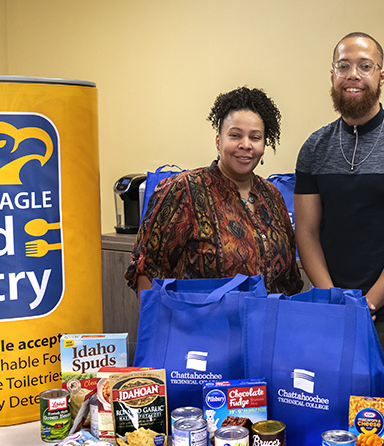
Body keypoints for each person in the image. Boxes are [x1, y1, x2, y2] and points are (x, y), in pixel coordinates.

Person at [294, 32, 384, 362]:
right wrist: (333, 300)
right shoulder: (314, 148)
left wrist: (366, 305)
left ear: (381, 76)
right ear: (332, 75)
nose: (353, 75)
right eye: (343, 66)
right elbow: (306, 232)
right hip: (328, 313)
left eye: (365, 66)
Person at [125, 87, 303, 296]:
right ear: (219, 141)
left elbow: (290, 280)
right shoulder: (183, 190)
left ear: (264, 145)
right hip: (200, 326)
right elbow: (146, 271)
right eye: (235, 135)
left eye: (255, 137)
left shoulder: (273, 196)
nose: (245, 145)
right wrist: (158, 325)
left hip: (268, 325)